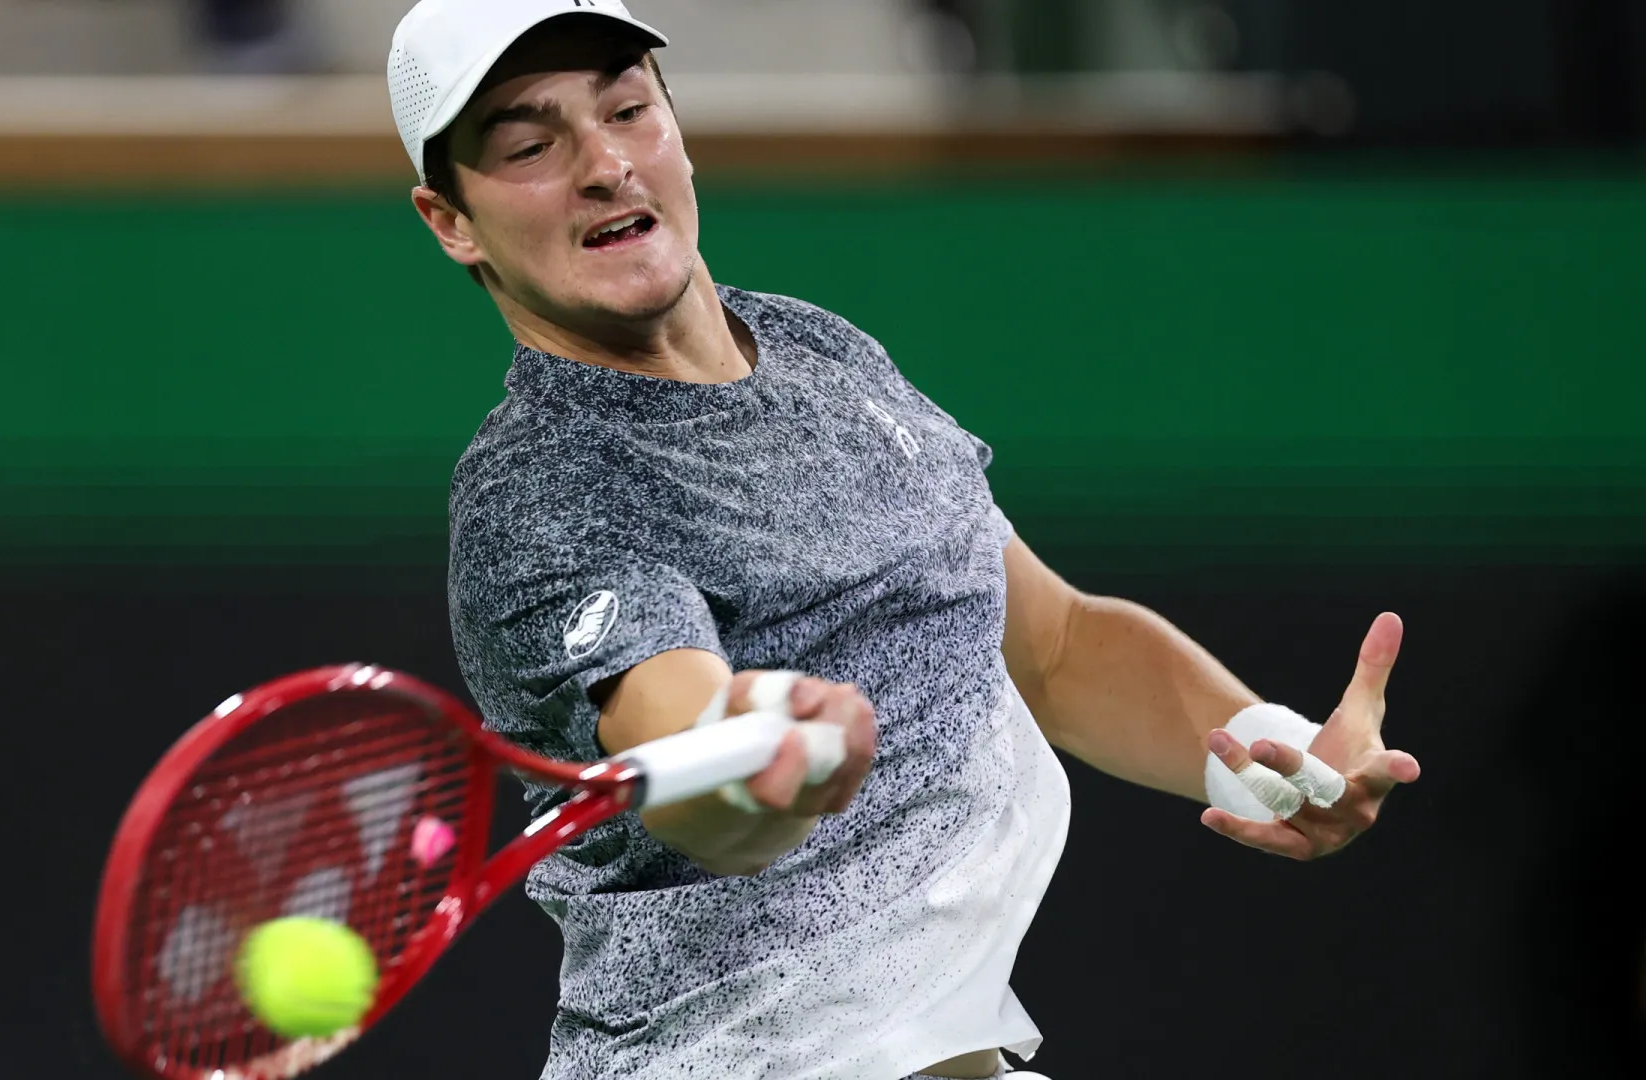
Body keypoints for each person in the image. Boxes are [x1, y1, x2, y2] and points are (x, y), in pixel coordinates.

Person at [390, 2, 1421, 1077]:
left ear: (676, 129)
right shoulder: (545, 488)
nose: (604, 163)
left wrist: (1273, 754)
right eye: (529, 145)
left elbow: (1055, 644)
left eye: (627, 108)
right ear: (450, 219)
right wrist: (756, 752)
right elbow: (688, 757)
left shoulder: (816, 351)